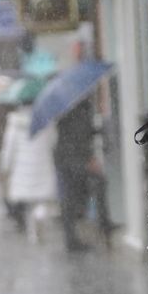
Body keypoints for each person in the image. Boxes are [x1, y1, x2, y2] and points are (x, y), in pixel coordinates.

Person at [0, 101, 57, 240]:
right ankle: (40, 214)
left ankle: (33, 233)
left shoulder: (15, 122)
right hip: (42, 162)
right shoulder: (45, 118)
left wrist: (5, 165)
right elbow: (53, 140)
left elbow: (9, 147)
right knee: (41, 198)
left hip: (22, 166)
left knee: (29, 201)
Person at [52, 99, 96, 252]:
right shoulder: (80, 110)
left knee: (70, 199)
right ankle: (73, 239)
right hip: (74, 160)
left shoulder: (63, 108)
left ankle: (71, 237)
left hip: (64, 158)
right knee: (74, 198)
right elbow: (81, 136)